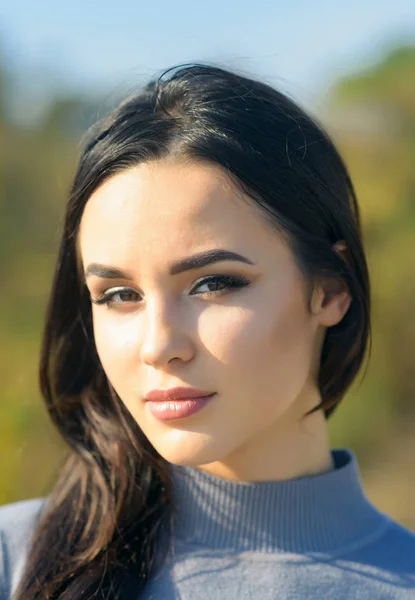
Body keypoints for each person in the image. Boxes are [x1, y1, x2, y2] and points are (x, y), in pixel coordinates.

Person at [0, 63, 414, 600]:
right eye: (120, 295)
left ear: (331, 290)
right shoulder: (18, 562)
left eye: (214, 283)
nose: (159, 346)